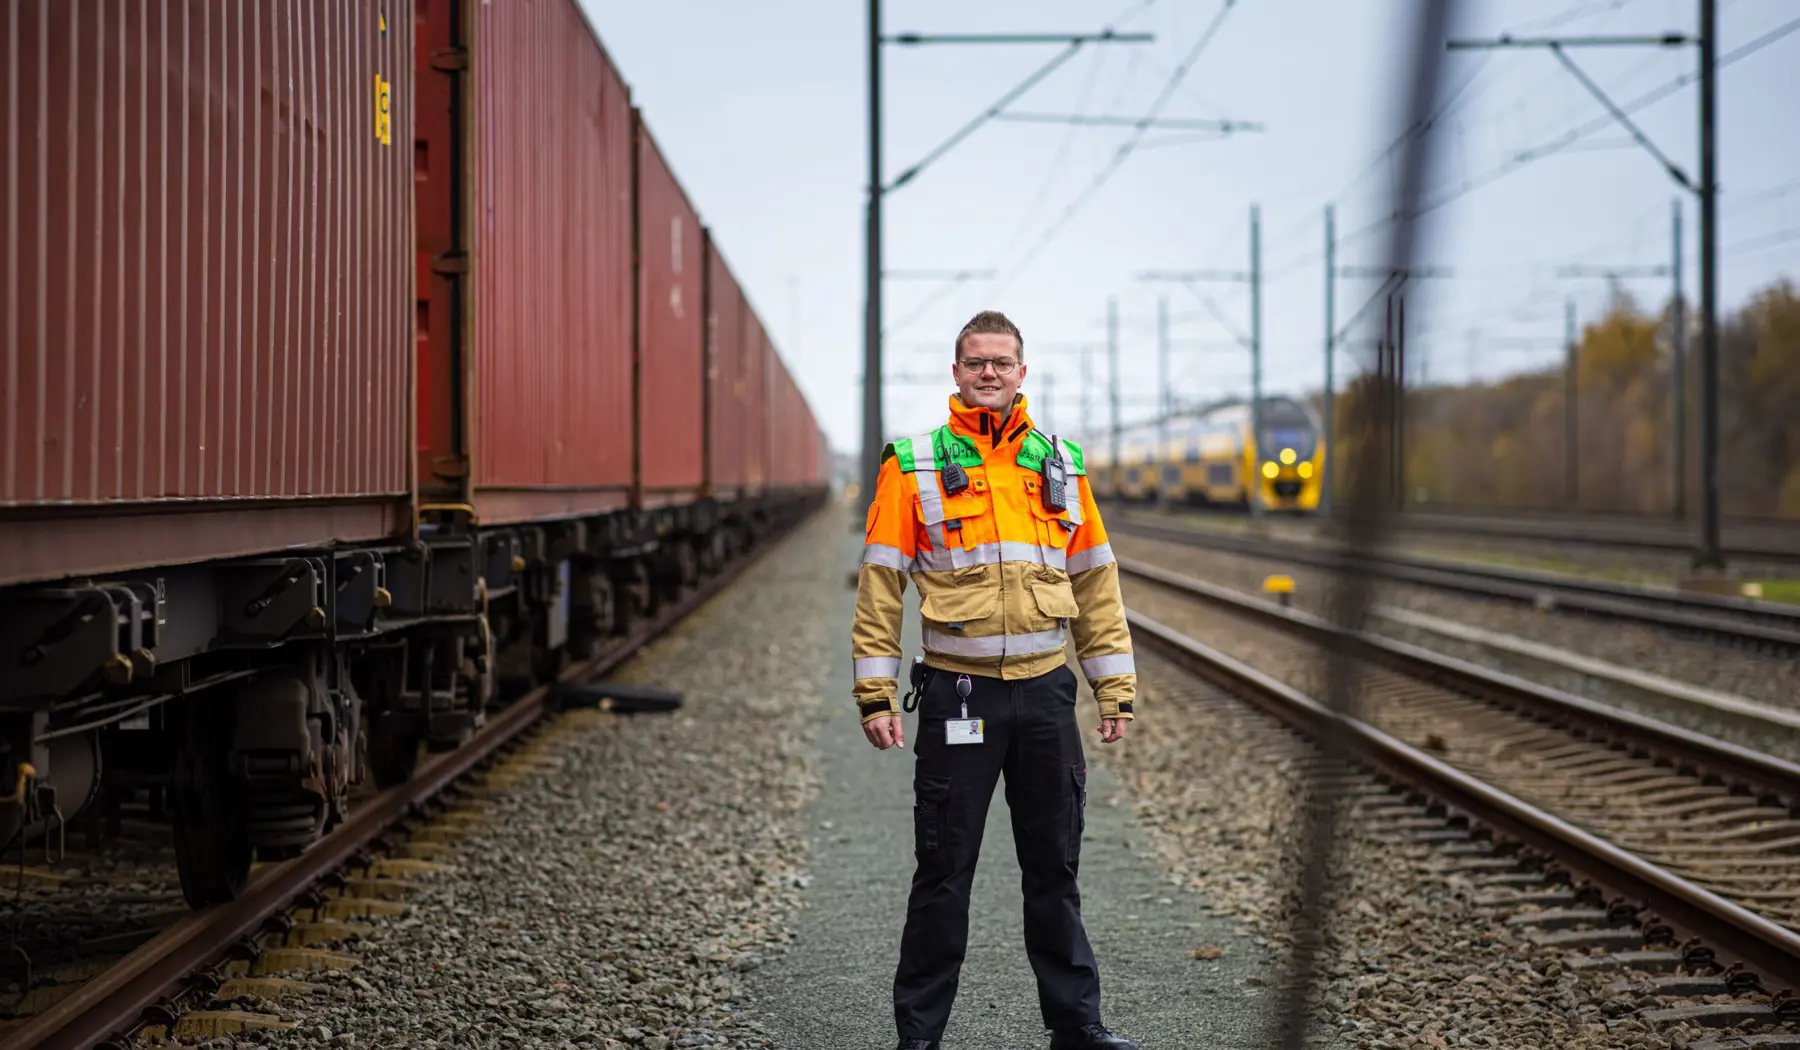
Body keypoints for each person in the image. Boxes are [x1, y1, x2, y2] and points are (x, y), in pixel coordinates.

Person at [851, 310, 1140, 1050]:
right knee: (943, 874)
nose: (988, 373)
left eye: (1001, 362)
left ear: (1021, 371)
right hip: (960, 698)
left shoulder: (1062, 462)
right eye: (975, 361)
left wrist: (1115, 686)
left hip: (1046, 697)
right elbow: (882, 584)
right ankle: (919, 1037)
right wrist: (875, 694)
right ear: (956, 373)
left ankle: (1078, 1028)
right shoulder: (912, 464)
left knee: (1055, 872)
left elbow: (1096, 582)